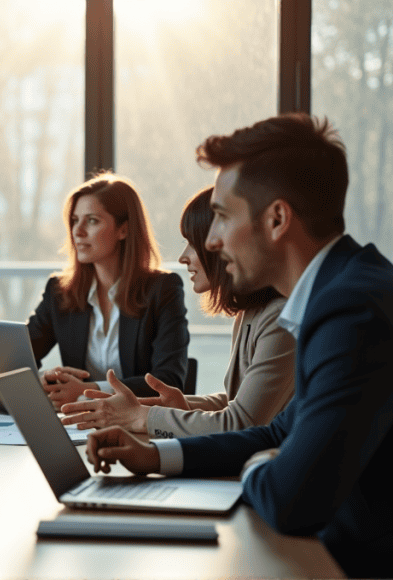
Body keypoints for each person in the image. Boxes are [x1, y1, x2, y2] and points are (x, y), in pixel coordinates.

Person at [85, 114, 393, 578]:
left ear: (276, 219)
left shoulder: (351, 311)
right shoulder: (341, 291)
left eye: (223, 216)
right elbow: (274, 435)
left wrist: (262, 465)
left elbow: (293, 500)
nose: (211, 240)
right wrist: (155, 457)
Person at [60, 186, 295, 437]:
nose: (183, 257)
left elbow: (240, 422)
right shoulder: (250, 312)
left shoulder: (279, 317)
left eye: (193, 244)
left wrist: (145, 417)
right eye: (74, 221)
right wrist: (165, 408)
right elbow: (237, 401)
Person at [26, 173, 189, 409]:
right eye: (74, 220)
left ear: (123, 229)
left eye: (92, 220)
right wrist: (43, 381)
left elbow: (168, 380)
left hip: (139, 427)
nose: (78, 231)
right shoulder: (59, 292)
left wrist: (87, 390)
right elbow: (19, 359)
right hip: (78, 423)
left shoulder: (163, 290)